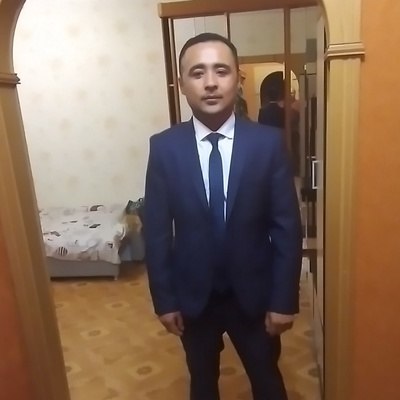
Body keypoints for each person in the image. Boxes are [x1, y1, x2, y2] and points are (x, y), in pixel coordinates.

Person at [144, 32, 302, 400]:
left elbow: (286, 228)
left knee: (267, 380)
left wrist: (283, 300)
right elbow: (156, 231)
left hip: (255, 295)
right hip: (193, 297)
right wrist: (165, 300)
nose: (211, 83)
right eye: (197, 73)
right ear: (181, 84)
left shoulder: (268, 144)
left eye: (221, 70)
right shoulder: (164, 148)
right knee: (202, 383)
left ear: (238, 78)